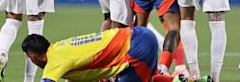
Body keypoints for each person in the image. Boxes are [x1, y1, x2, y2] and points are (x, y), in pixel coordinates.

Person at [22, 27, 202, 82]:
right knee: (151, 78)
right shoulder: (59, 47)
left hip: (134, 49)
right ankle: (185, 80)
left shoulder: (54, 62)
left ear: (32, 56)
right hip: (137, 35)